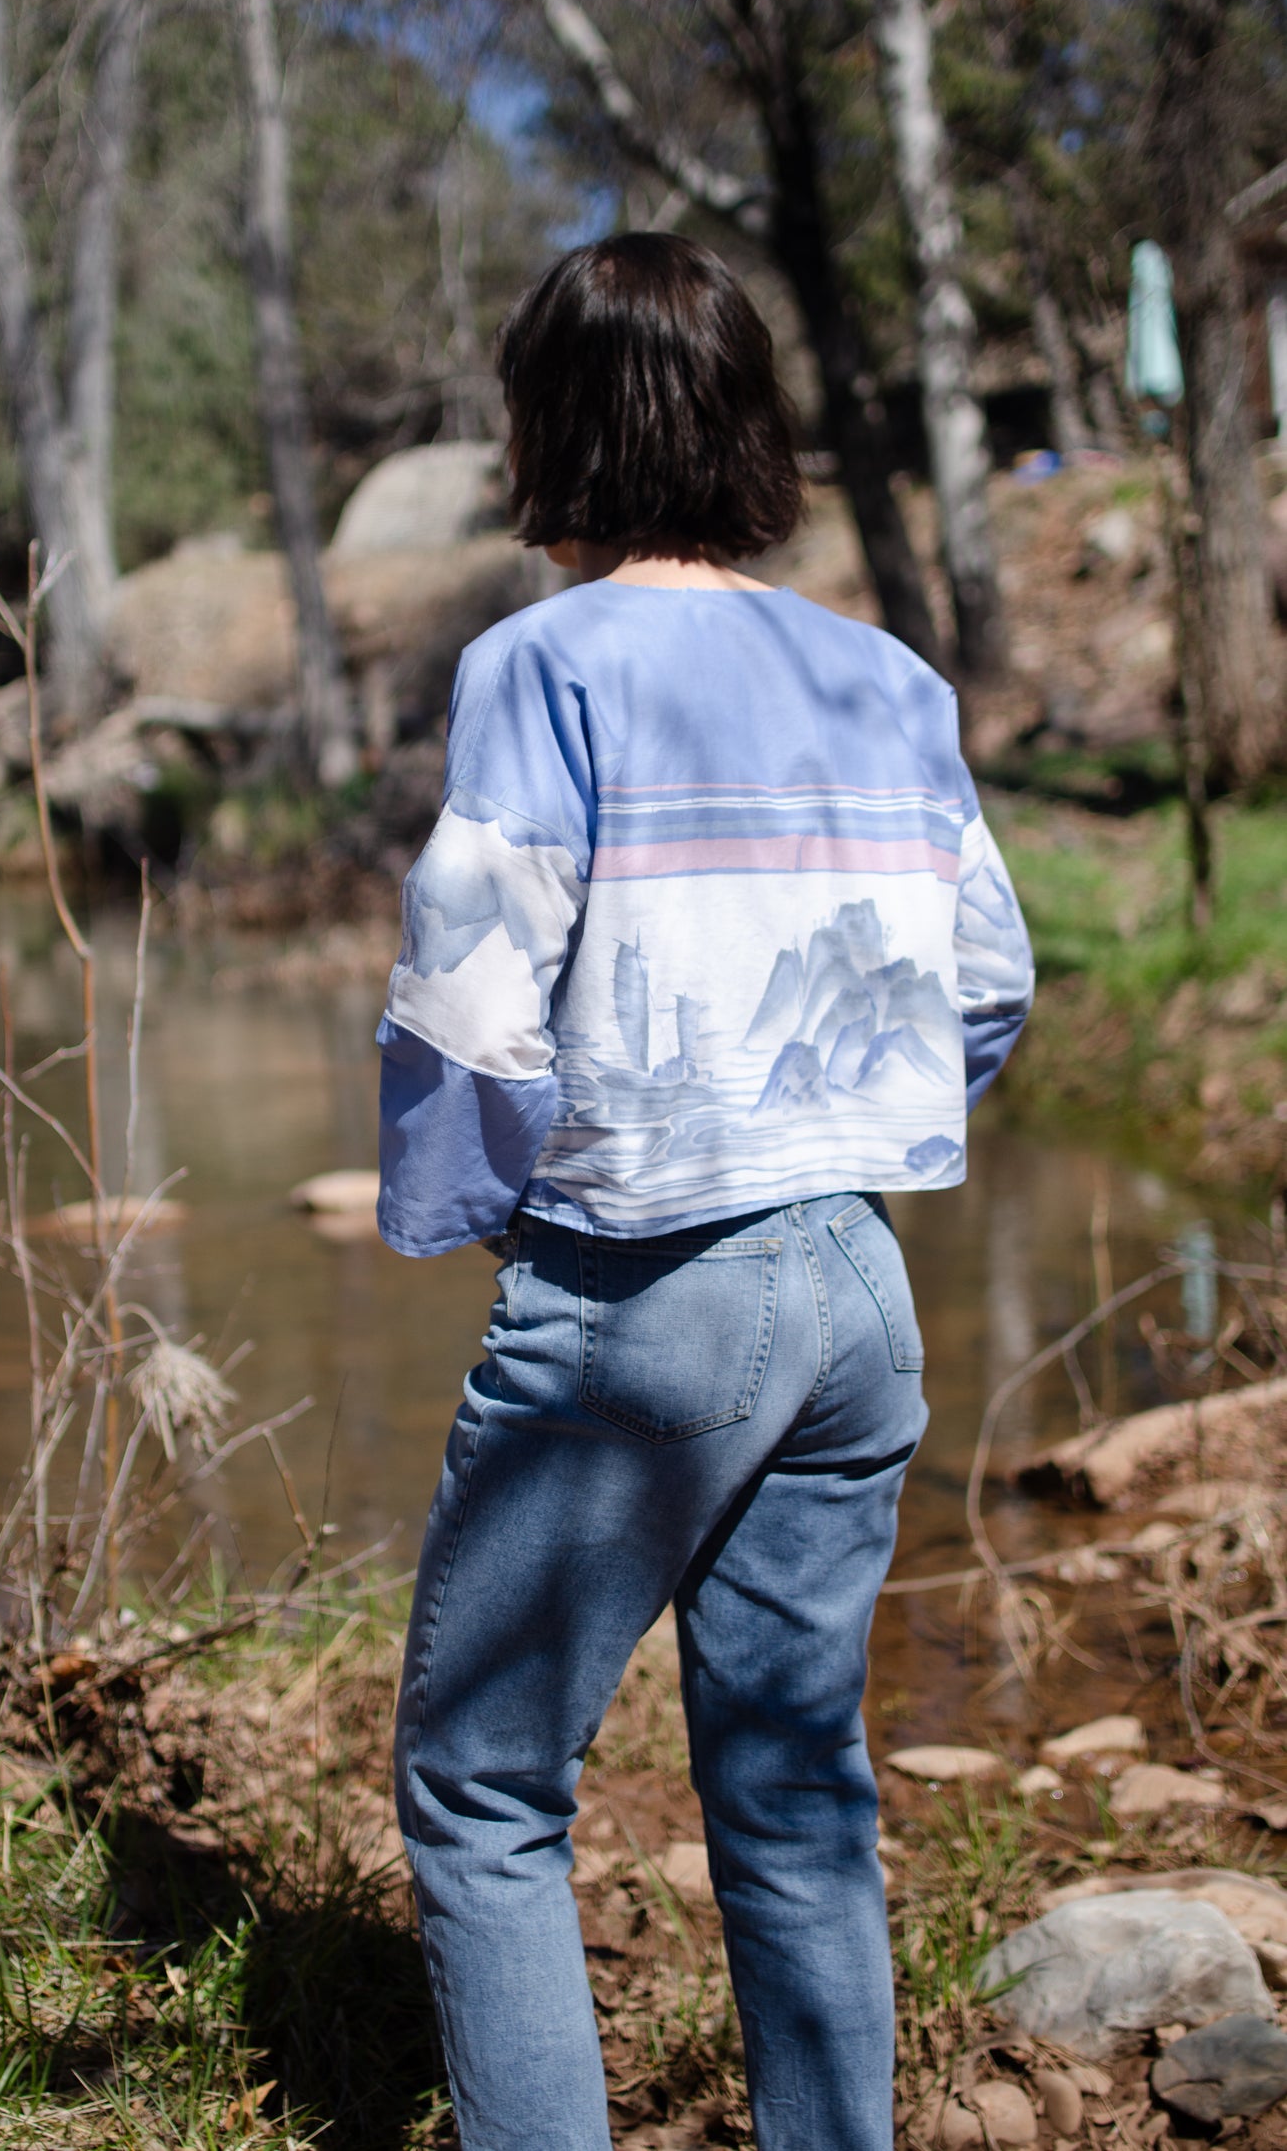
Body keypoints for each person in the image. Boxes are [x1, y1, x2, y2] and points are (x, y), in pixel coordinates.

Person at [376, 232, 1033, 2151]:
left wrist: (494, 1213)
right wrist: (842, 1129)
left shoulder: (542, 665)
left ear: (549, 429)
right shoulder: (881, 676)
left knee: (488, 1788)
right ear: (747, 424)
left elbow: (475, 992)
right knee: (792, 1777)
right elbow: (985, 977)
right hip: (858, 1284)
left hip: (644, 1278)